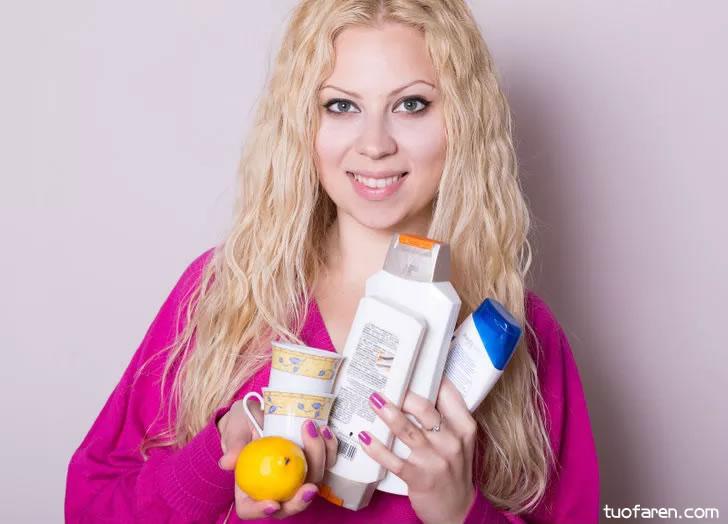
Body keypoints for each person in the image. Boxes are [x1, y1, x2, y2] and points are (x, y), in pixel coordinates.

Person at [65, 1, 599, 522]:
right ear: (302, 123)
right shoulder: (227, 293)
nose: (375, 145)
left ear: (462, 120)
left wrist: (462, 512)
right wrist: (218, 458)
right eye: (341, 106)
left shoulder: (513, 335)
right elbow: (91, 508)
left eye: (411, 104)